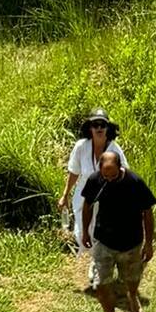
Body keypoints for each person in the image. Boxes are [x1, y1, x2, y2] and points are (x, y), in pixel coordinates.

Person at [81, 149, 156, 312]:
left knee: (132, 278)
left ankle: (132, 295)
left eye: (112, 174)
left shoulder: (134, 182)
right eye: (105, 174)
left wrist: (149, 243)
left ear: (120, 167)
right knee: (100, 285)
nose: (109, 178)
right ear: (100, 169)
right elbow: (87, 205)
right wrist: (84, 231)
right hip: (103, 242)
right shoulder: (95, 180)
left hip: (131, 242)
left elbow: (147, 212)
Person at [60, 111, 125, 274]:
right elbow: (74, 172)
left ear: (107, 128)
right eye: (95, 124)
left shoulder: (114, 149)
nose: (99, 128)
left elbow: (124, 172)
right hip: (83, 198)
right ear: (90, 128)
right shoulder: (81, 147)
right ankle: (91, 263)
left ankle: (98, 268)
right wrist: (65, 195)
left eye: (102, 125)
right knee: (81, 232)